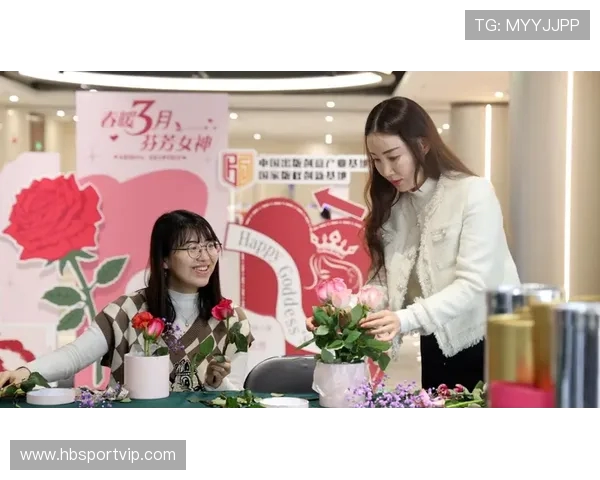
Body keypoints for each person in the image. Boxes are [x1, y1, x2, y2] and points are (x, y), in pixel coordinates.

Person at [306, 97, 520, 390]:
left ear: (423, 144)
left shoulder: (473, 192)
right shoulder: (395, 209)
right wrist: (342, 314)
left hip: (489, 340)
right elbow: (384, 284)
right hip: (436, 341)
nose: (386, 170)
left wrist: (405, 318)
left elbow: (475, 284)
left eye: (393, 157)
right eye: (376, 160)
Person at [0, 210, 254, 392]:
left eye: (210, 246)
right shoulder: (126, 311)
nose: (205, 257)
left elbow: (235, 400)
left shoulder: (232, 320)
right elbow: (75, 355)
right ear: (164, 260)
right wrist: (25, 372)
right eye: (192, 248)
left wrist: (215, 383)